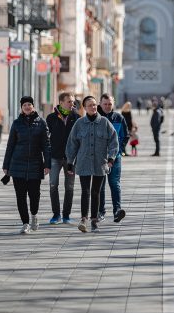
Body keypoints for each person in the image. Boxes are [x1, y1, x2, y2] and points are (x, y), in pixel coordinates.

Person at [66, 95, 118, 233]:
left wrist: (111, 158)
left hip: (100, 163)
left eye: (95, 105)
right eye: (90, 105)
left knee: (96, 192)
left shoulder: (105, 123)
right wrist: (70, 162)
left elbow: (114, 141)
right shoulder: (79, 124)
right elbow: (72, 144)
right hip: (83, 163)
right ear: (84, 108)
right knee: (85, 191)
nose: (93, 107)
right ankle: (84, 219)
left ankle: (94, 221)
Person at [3, 96, 51, 234]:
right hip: (17, 164)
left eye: (29, 104)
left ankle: (34, 215)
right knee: (20, 196)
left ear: (33, 106)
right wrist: (6, 165)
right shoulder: (16, 124)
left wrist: (47, 164)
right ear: (21, 107)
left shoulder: (41, 123)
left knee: (34, 195)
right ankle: (25, 223)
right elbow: (10, 145)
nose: (27, 107)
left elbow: (46, 145)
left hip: (36, 164)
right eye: (25, 105)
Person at [46, 92, 80, 225]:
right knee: (53, 185)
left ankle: (66, 215)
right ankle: (56, 215)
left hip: (71, 158)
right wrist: (46, 158)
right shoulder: (51, 118)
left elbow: (79, 140)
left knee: (69, 187)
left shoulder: (77, 118)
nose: (72, 104)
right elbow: (46, 139)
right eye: (69, 101)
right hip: (55, 157)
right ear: (61, 103)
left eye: (73, 102)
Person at [98, 94, 129, 223]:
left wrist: (119, 150)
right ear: (100, 103)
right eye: (105, 104)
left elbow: (125, 136)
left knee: (115, 184)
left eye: (109, 104)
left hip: (115, 158)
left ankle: (117, 211)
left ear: (113, 103)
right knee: (100, 186)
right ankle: (100, 212)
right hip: (99, 158)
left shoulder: (119, 118)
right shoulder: (96, 118)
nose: (107, 106)